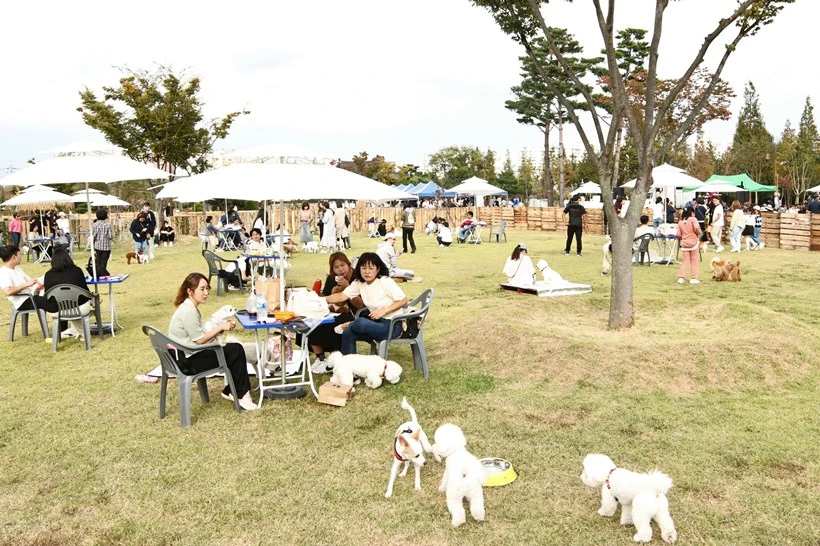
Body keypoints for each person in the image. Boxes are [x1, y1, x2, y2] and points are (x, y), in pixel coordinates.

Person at [168, 273, 257, 411]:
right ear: (190, 291)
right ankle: (242, 395)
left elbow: (199, 337)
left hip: (182, 356)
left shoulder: (187, 307)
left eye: (207, 289)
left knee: (232, 349)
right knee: (236, 350)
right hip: (187, 363)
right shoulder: (189, 311)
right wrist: (221, 327)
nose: (206, 293)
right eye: (202, 289)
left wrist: (219, 329)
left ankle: (231, 390)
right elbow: (200, 340)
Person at [323, 252, 408, 356]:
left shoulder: (385, 281)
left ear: (378, 269)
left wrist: (385, 310)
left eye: (371, 268)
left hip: (392, 326)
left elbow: (403, 300)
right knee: (348, 333)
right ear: (359, 269)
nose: (367, 272)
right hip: (376, 323)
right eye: (363, 268)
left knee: (360, 322)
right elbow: (341, 296)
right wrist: (320, 299)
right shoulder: (359, 283)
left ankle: (350, 324)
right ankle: (348, 367)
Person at [308, 252, 366, 373]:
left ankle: (335, 358)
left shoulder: (358, 277)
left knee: (335, 323)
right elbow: (328, 297)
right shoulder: (332, 278)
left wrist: (347, 287)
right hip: (335, 310)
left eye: (342, 265)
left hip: (357, 312)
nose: (340, 269)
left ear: (348, 264)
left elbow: (360, 305)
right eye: (336, 267)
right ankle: (320, 358)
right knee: (313, 322)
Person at [44, 247, 92, 339]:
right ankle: (83, 334)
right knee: (83, 302)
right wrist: (92, 297)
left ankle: (77, 332)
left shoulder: (48, 275)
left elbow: (48, 295)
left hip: (57, 311)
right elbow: (85, 291)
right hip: (79, 308)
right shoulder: (77, 271)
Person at [1, 244, 55, 320]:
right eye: (19, 254)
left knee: (52, 296)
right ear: (14, 256)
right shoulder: (4, 272)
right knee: (52, 302)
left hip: (30, 296)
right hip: (22, 301)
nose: (20, 257)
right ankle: (61, 326)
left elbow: (31, 282)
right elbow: (8, 292)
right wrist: (25, 285)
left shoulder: (18, 270)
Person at [675, 206, 702, 284]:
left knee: (685, 261)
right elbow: (697, 228)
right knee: (694, 260)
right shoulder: (693, 219)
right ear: (692, 212)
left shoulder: (680, 222)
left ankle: (681, 277)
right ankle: (693, 278)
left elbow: (678, 234)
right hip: (693, 243)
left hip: (684, 243)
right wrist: (698, 232)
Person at [91, 208, 112, 277]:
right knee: (104, 262)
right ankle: (103, 274)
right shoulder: (107, 225)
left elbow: (92, 236)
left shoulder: (94, 225)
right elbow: (110, 236)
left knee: (99, 261)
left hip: (97, 246)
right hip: (106, 247)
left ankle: (99, 274)